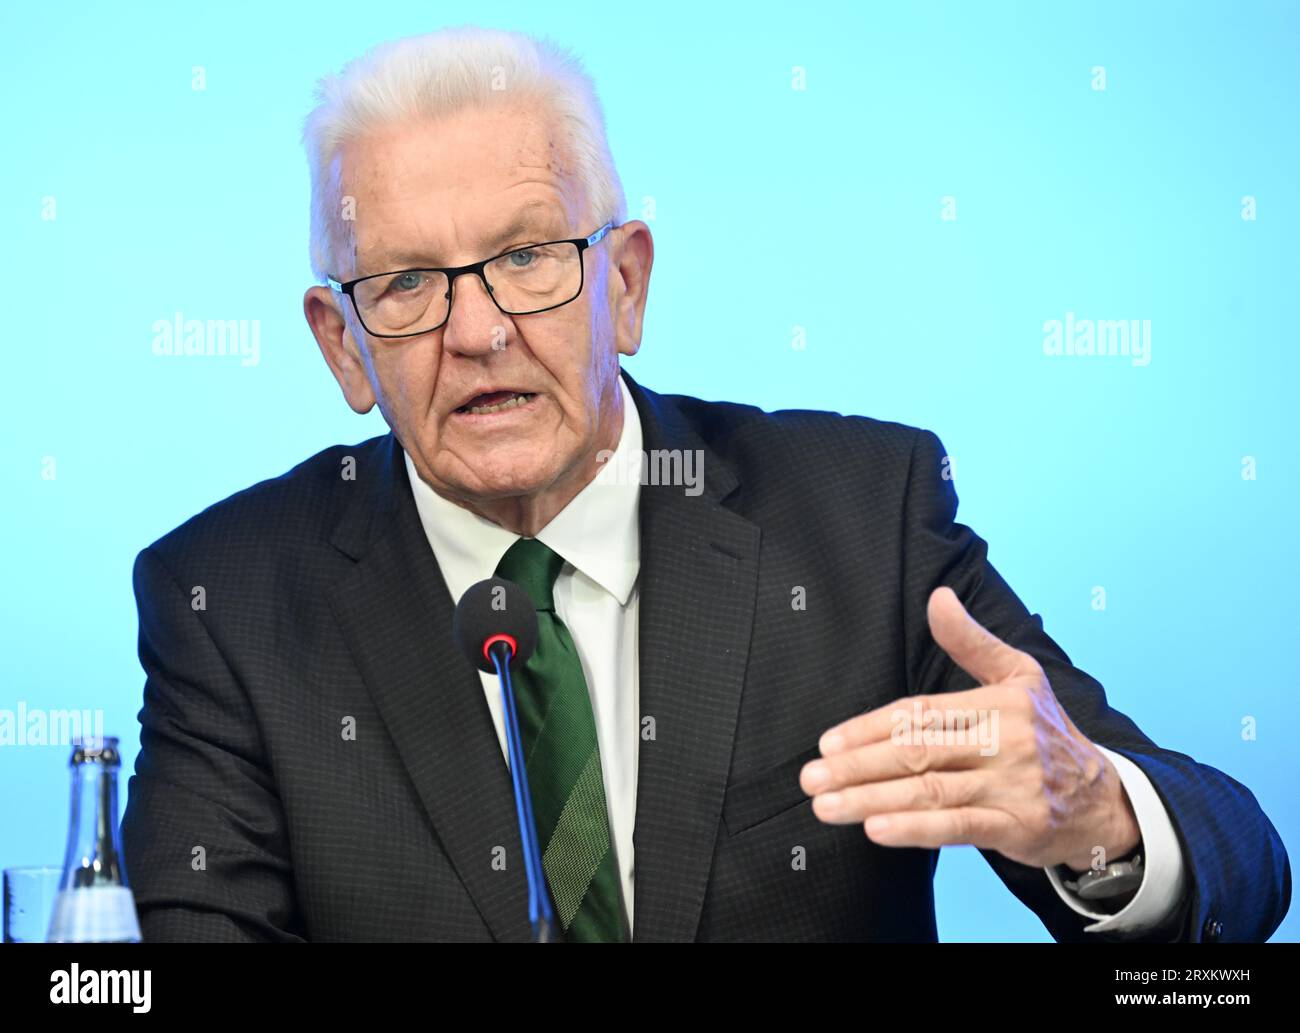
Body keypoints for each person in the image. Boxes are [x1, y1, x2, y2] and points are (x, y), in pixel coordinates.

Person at [120, 26, 1290, 942]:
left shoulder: (857, 520)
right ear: (342, 345)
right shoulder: (226, 602)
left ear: (624, 285)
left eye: (528, 256)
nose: (474, 331)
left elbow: (1240, 868)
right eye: (408, 283)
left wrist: (1096, 817)